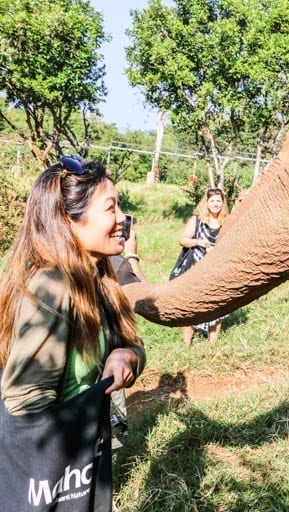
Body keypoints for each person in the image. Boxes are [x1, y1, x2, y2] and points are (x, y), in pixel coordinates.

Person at [0, 155, 146, 509]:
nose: (122, 218)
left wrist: (127, 355)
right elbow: (24, 401)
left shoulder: (99, 276)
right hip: (54, 471)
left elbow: (132, 342)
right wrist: (74, 442)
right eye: (111, 208)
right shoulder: (54, 284)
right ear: (69, 221)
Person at [169, 187, 229, 345]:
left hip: (217, 270)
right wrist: (198, 242)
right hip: (195, 268)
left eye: (218, 201)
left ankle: (213, 345)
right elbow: (183, 239)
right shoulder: (197, 220)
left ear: (223, 203)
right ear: (206, 202)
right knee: (191, 303)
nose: (215, 204)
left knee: (216, 305)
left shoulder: (227, 222)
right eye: (212, 201)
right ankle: (186, 344)